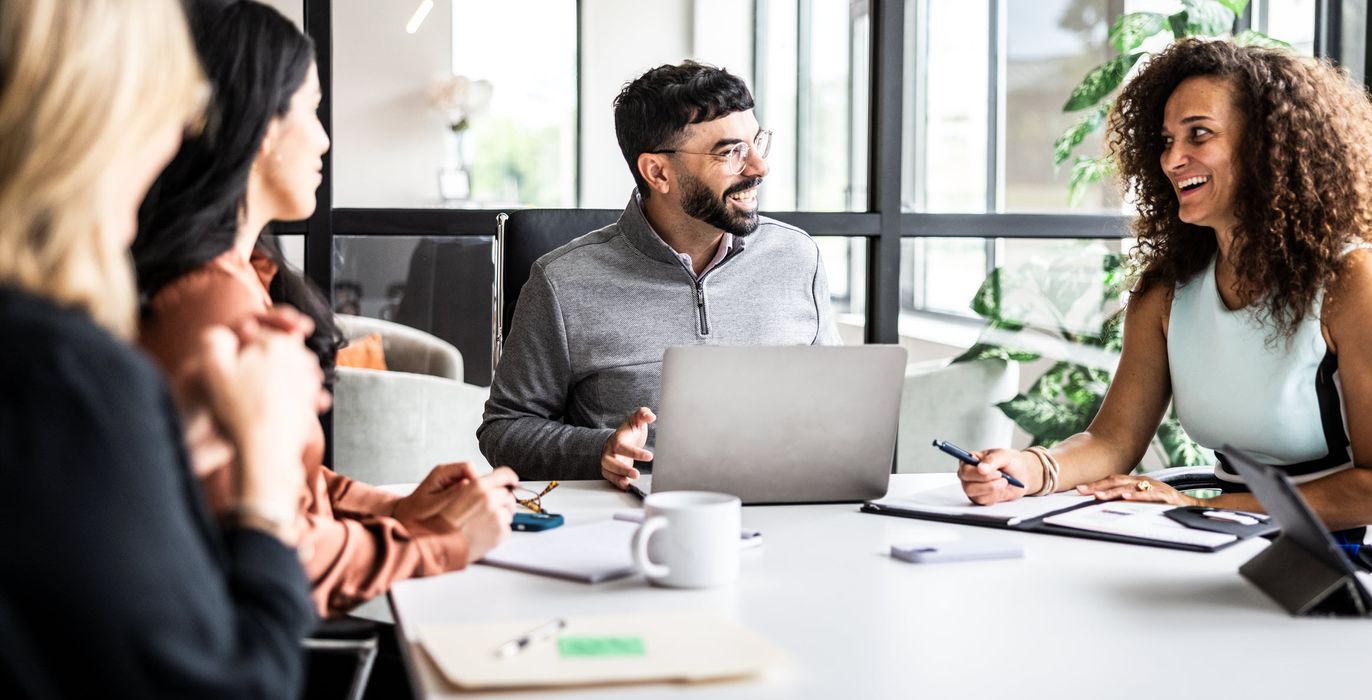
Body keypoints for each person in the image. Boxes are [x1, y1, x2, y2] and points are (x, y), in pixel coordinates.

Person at [958, 39, 1372, 587]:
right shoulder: (1168, 292)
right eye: (1167, 140)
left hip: (1363, 558)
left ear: (1268, 145)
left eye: (1199, 134)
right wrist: (1032, 468)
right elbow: (1112, 442)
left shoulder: (1357, 281)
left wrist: (1209, 508)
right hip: (1230, 540)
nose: (1173, 159)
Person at [131, 0, 518, 619]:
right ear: (257, 124)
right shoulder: (212, 306)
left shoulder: (242, 276)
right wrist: (440, 543)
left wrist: (396, 510)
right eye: (311, 109)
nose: (325, 137)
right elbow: (277, 549)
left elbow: (292, 482)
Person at [0, 0, 324, 695]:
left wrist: (160, 447)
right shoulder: (64, 373)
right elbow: (241, 684)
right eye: (174, 98)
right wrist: (263, 473)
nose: (182, 132)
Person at [480, 61, 841, 486]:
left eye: (756, 142)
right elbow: (505, 429)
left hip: (790, 504)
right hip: (636, 523)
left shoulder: (798, 256)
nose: (759, 167)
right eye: (731, 153)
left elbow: (835, 403)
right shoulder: (563, 281)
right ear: (658, 172)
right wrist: (600, 450)